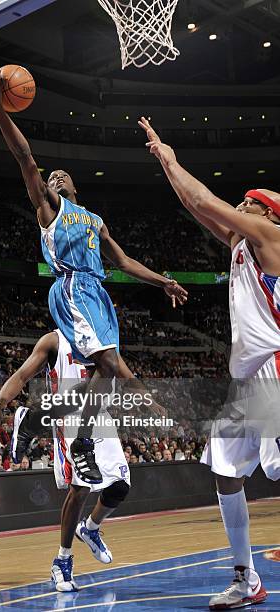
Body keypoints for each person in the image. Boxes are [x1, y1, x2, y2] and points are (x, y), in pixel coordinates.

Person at [0, 69, 187, 484]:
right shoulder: (49, 207)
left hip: (98, 293)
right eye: (51, 177)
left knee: (108, 372)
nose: (55, 177)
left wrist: (162, 280)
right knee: (110, 367)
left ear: (75, 183)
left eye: (61, 175)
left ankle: (47, 424)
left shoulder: (95, 220)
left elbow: (126, 262)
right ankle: (67, 436)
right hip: (73, 286)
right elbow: (25, 157)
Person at [139, 117, 279, 610]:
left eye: (246, 203)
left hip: (277, 370)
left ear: (265, 213)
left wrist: (174, 158)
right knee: (225, 469)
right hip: (248, 381)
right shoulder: (244, 246)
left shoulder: (269, 237)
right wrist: (165, 161)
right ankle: (246, 576)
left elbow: (205, 201)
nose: (237, 207)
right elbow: (195, 207)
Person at [0, 330, 138, 592]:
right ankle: (62, 560)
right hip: (70, 419)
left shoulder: (104, 337)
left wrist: (151, 399)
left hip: (99, 416)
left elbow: (127, 374)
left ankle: (90, 529)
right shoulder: (53, 340)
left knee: (120, 487)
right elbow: (22, 376)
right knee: (81, 488)